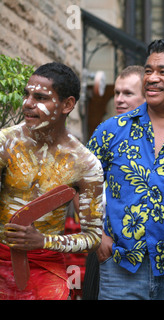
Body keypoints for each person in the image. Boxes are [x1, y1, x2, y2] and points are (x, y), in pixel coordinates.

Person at [87, 39, 164, 300]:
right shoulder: (112, 129)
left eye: (163, 71)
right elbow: (82, 182)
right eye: (148, 70)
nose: (152, 78)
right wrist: (96, 233)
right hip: (121, 267)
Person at [0, 62, 104, 300]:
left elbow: (93, 238)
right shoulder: (5, 143)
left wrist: (42, 241)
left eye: (40, 97)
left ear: (67, 105)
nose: (27, 103)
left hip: (46, 266)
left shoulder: (86, 164)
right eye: (26, 94)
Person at [82, 65, 146, 300]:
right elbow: (82, 186)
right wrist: (97, 234)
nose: (119, 99)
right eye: (117, 93)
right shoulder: (106, 132)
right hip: (108, 248)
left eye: (128, 93)